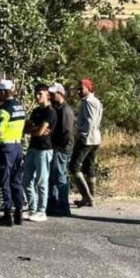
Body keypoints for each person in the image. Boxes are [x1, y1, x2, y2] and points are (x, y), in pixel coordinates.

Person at [0, 80, 27, 227]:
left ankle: (7, 215)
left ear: (4, 93)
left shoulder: (3, 110)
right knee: (16, 181)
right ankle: (19, 212)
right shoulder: (20, 106)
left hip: (5, 148)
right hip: (18, 146)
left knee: (3, 181)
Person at [22, 83, 56, 223]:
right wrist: (35, 130)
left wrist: (36, 130)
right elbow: (27, 128)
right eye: (36, 94)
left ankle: (42, 211)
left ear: (47, 94)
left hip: (44, 150)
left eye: (40, 94)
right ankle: (32, 208)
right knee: (26, 179)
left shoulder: (50, 112)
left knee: (41, 181)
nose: (37, 96)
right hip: (32, 148)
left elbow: (41, 131)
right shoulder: (36, 111)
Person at [71, 78, 103, 207]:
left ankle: (87, 197)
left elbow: (90, 121)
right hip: (95, 138)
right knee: (89, 167)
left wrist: (82, 135)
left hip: (87, 139)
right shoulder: (96, 101)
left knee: (74, 166)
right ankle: (91, 197)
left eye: (81, 88)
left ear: (88, 89)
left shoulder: (89, 102)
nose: (79, 91)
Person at [46, 82, 75, 217]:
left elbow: (67, 132)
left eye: (53, 94)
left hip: (61, 148)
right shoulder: (56, 108)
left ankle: (63, 205)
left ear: (61, 94)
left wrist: (58, 147)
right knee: (53, 176)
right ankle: (53, 203)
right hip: (56, 147)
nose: (51, 96)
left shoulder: (65, 110)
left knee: (60, 176)